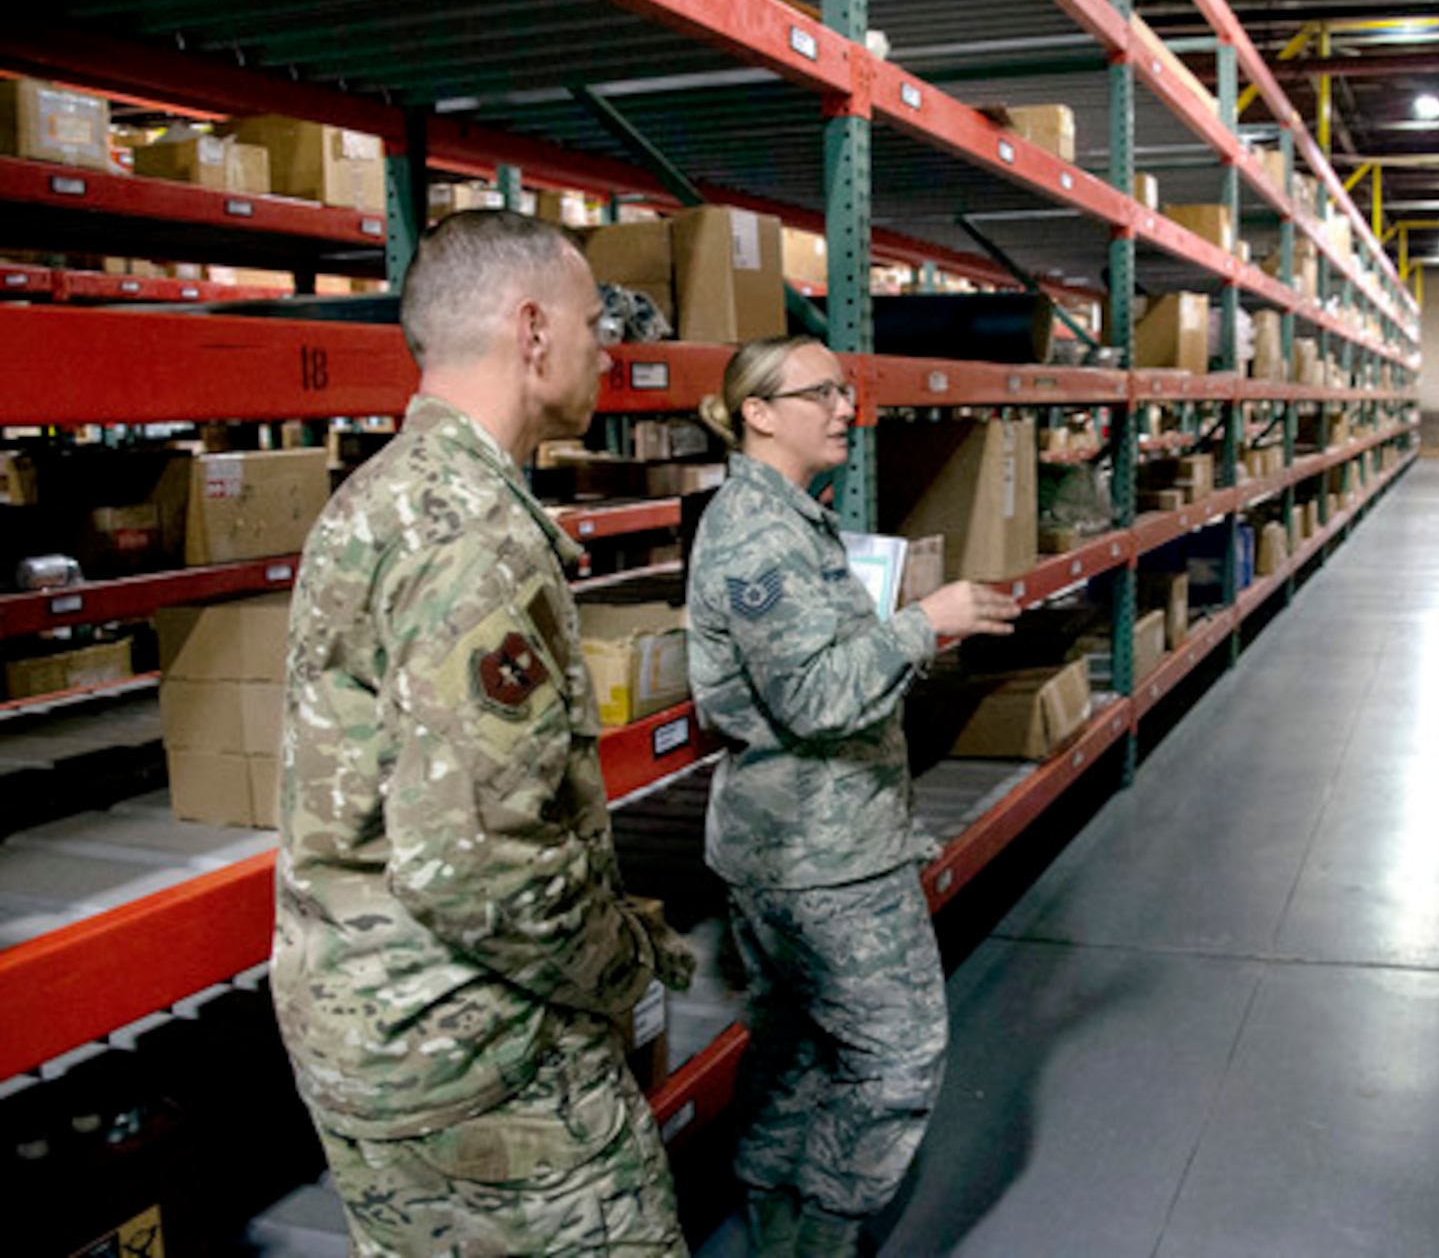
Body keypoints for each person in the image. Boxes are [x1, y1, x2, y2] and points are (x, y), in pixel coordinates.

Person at [273, 209, 695, 1256]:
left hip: (375, 1031)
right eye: (595, 322)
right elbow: (477, 869)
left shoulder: (379, 496)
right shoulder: (474, 534)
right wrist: (625, 962)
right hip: (482, 1060)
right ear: (534, 331)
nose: (609, 349)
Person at [688, 336, 1019, 1257]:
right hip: (824, 856)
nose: (846, 407)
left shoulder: (789, 518)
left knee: (796, 1044)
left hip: (807, 839)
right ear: (759, 412)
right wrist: (924, 623)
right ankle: (821, 1231)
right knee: (897, 1053)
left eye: (848, 389)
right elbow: (813, 698)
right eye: (822, 392)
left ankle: (774, 1219)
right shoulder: (758, 534)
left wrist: (903, 640)